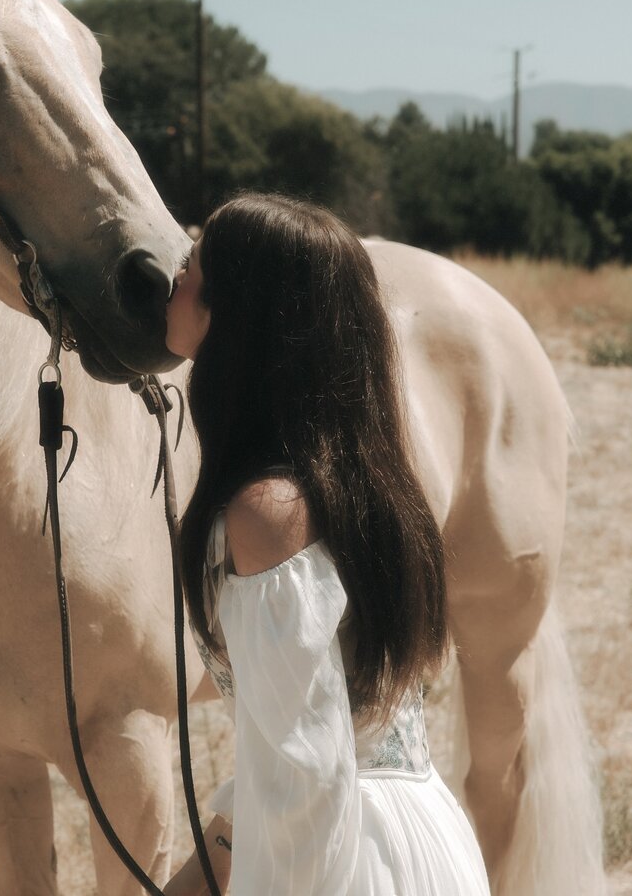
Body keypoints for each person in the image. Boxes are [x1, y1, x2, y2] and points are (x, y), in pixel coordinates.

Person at [163, 193, 489, 896]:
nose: (174, 275)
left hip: (350, 862)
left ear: (236, 315)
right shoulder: (365, 489)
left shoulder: (267, 514)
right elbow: (302, 756)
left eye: (192, 264)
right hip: (417, 840)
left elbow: (309, 780)